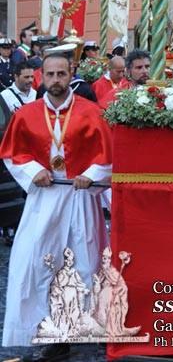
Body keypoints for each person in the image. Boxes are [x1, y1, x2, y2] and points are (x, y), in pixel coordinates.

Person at [0, 53, 111, 360]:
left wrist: (90, 175)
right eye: (50, 74)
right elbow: (12, 152)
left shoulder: (92, 112)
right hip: (45, 199)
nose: (56, 80)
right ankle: (52, 332)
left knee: (85, 262)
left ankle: (91, 325)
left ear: (71, 73)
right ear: (42, 77)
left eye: (62, 74)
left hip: (79, 198)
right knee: (38, 261)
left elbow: (107, 153)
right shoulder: (27, 114)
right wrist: (33, 170)